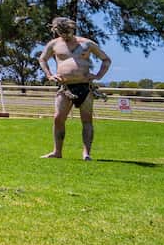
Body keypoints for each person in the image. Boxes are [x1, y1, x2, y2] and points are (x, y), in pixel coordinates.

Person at [39, 16, 111, 160]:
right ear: (56, 31)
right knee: (58, 118)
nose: (65, 36)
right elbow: (42, 59)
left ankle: (86, 153)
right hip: (65, 87)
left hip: (85, 86)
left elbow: (106, 59)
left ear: (72, 29)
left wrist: (98, 76)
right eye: (61, 33)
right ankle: (57, 152)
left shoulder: (87, 43)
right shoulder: (54, 44)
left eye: (67, 32)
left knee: (86, 120)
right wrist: (49, 75)